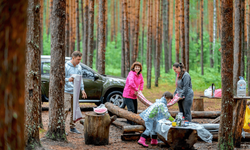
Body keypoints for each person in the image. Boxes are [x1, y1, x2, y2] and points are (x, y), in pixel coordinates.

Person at [64, 51, 87, 134]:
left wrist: (82, 90)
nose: (79, 61)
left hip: (75, 91)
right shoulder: (66, 66)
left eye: (80, 59)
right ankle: (62, 128)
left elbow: (80, 79)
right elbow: (60, 77)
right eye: (78, 59)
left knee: (75, 109)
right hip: (66, 91)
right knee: (65, 109)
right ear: (73, 58)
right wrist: (68, 79)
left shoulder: (79, 67)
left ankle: (72, 127)